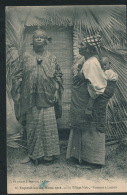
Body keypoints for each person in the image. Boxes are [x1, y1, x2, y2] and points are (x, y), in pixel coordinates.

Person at [11, 27, 63, 165]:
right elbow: (17, 75)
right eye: (36, 37)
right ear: (32, 41)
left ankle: (49, 155)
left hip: (48, 96)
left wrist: (57, 90)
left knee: (48, 126)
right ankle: (34, 155)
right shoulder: (25, 57)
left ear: (46, 41)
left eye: (41, 37)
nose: (39, 39)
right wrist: (18, 89)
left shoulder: (52, 58)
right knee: (33, 126)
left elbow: (58, 75)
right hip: (30, 98)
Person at [66, 35, 117, 169]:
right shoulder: (87, 60)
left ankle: (94, 162)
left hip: (90, 102)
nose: (78, 46)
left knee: (92, 129)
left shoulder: (91, 63)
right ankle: (82, 158)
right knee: (85, 128)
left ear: (89, 48)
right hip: (82, 101)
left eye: (82, 44)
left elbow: (98, 87)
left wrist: (89, 107)